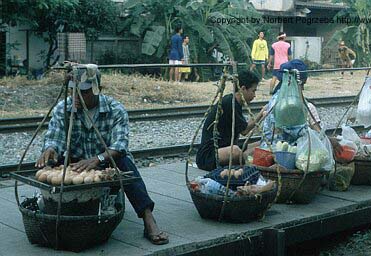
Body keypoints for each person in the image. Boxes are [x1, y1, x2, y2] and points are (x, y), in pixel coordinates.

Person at [35, 67, 169, 245]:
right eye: (74, 91)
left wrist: (97, 159)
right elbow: (56, 136)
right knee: (53, 164)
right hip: (77, 164)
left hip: (106, 163)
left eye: (84, 92)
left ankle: (148, 218)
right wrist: (50, 149)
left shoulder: (115, 109)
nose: (78, 97)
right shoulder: (64, 108)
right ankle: (51, 210)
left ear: (98, 88)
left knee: (125, 162)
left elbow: (120, 146)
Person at [263, 59, 342, 153]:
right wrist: (327, 140)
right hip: (281, 152)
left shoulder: (278, 97)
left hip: (272, 147)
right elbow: (298, 132)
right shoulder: (289, 104)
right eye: (302, 84)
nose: (303, 88)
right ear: (293, 82)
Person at [196, 70, 267, 171]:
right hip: (209, 156)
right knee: (236, 151)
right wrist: (261, 114)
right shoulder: (230, 103)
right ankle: (248, 167)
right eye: (253, 91)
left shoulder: (235, 102)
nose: (254, 95)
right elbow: (245, 131)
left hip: (225, 148)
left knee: (260, 144)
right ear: (243, 89)